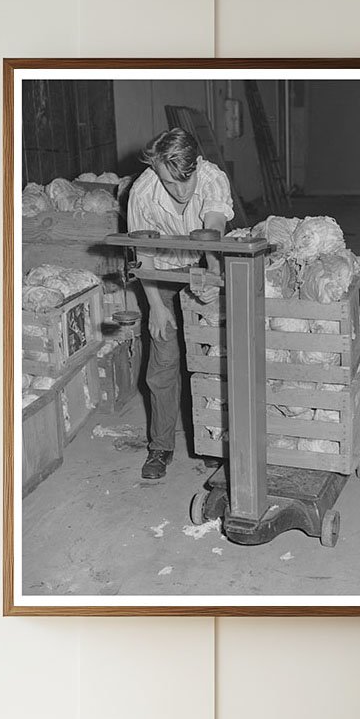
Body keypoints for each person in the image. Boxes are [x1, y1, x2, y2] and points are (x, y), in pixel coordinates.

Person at [127, 128, 234, 480]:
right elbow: (143, 253)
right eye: (168, 182)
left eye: (183, 183)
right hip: (160, 272)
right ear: (155, 168)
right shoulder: (142, 191)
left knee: (211, 358)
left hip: (203, 264)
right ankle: (161, 445)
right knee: (163, 359)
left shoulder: (212, 178)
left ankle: (212, 442)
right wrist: (156, 305)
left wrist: (213, 273)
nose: (178, 191)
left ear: (196, 166)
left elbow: (214, 227)